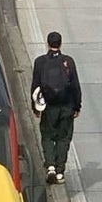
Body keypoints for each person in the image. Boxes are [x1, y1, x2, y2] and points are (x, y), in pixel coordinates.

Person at [31, 31, 82, 184]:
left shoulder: (40, 62)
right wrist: (77, 106)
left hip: (49, 107)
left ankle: (50, 166)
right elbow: (75, 86)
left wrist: (35, 107)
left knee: (47, 135)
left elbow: (35, 86)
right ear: (61, 44)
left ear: (47, 44)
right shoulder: (68, 61)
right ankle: (60, 172)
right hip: (66, 106)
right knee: (63, 138)